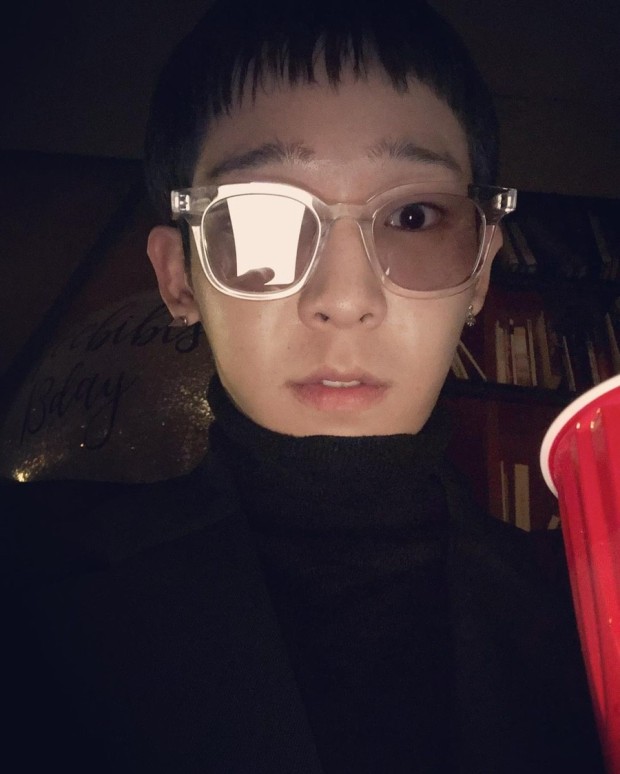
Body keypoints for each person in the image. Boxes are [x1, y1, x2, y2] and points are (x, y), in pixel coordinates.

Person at [1, 0, 605, 771]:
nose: (344, 299)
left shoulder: (585, 628)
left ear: (480, 271)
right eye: (260, 217)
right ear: (179, 277)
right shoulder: (32, 603)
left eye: (414, 216)